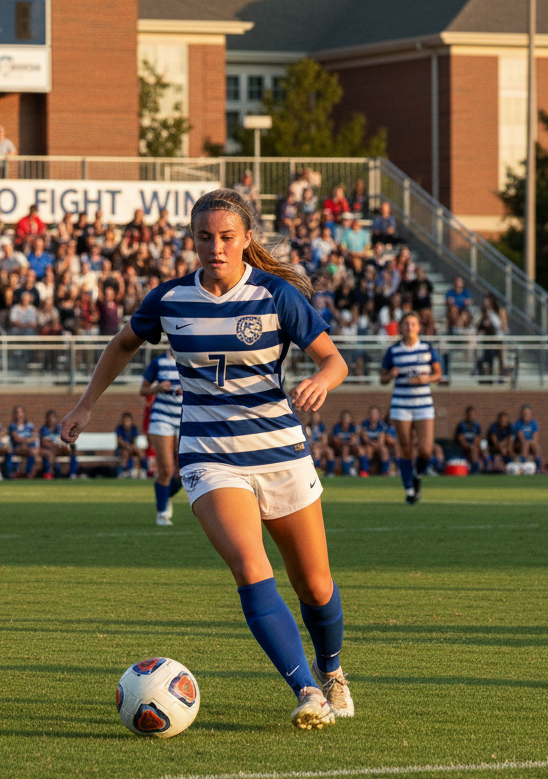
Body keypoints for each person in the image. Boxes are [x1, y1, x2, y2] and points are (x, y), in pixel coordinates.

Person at [60, 188, 351, 730]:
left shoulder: (276, 295)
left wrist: (321, 381)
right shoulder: (170, 299)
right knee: (250, 566)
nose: (214, 248)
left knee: (315, 585)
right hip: (209, 456)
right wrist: (85, 405)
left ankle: (331, 669)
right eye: (203, 237)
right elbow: (123, 344)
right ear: (191, 240)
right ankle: (307, 690)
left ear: (245, 241)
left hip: (280, 451)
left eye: (225, 238)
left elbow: (335, 361)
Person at [380, 310, 442, 503]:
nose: (410, 327)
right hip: (401, 404)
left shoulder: (427, 349)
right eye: (406, 324)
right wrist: (391, 375)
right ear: (401, 327)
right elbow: (382, 378)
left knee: (425, 450)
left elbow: (439, 374)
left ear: (419, 327)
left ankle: (417, 474)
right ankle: (409, 489)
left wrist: (428, 378)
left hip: (423, 404)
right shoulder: (394, 351)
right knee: (405, 448)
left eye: (413, 324)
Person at [140, 349, 183, 524]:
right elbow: (143, 390)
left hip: (185, 417)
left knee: (184, 471)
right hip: (161, 417)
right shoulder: (159, 362)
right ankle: (162, 512)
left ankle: (165, 495)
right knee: (165, 469)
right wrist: (158, 387)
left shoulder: (192, 358)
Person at [39, 410, 77, 479]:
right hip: (52, 449)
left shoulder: (60, 428)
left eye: (53, 417)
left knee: (71, 451)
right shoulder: (44, 429)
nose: (51, 420)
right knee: (49, 454)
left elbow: (66, 438)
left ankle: (73, 473)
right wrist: (54, 445)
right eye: (50, 418)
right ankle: (49, 473)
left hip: (61, 448)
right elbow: (44, 443)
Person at [358, 406, 392, 477]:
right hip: (369, 445)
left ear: (379, 415)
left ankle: (385, 472)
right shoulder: (364, 424)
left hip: (378, 446)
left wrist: (374, 444)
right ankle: (365, 471)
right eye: (372, 413)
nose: (374, 416)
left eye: (376, 413)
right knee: (368, 449)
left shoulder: (382, 425)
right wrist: (371, 443)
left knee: (384, 450)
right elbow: (365, 439)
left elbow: (381, 441)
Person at [7, 405, 39, 478]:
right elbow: (17, 439)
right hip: (17, 448)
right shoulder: (13, 426)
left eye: (21, 412)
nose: (19, 415)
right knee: (31, 452)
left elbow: (35, 437)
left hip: (30, 447)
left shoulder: (30, 425)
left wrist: (25, 441)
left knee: (38, 454)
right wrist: (27, 440)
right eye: (17, 413)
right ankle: (28, 473)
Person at [329, 410, 360, 478]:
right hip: (338, 448)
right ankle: (347, 471)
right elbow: (335, 441)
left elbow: (354, 441)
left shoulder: (353, 427)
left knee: (359, 450)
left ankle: (359, 470)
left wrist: (345, 442)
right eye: (345, 418)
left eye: (348, 418)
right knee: (344, 448)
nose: (346, 420)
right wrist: (345, 442)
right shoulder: (337, 427)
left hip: (351, 448)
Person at [453, 406, 483, 473]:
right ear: (466, 415)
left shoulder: (476, 425)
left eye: (472, 414)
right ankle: (474, 469)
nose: (471, 416)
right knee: (472, 450)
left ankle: (482, 467)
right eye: (469, 414)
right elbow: (460, 438)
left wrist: (474, 446)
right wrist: (468, 445)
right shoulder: (461, 425)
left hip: (474, 446)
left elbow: (478, 438)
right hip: (464, 447)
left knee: (478, 450)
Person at [513, 404, 542, 470]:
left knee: (536, 446)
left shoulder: (533, 423)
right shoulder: (518, 423)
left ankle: (538, 467)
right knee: (525, 444)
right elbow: (520, 437)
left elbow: (536, 437)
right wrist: (527, 442)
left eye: (528, 413)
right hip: (519, 444)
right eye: (525, 413)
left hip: (531, 443)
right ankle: (523, 466)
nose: (526, 415)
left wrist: (532, 442)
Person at [115, 411, 141, 477]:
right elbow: (120, 441)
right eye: (126, 420)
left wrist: (132, 447)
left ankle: (137, 471)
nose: (127, 422)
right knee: (125, 453)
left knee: (139, 453)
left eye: (128, 420)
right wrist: (127, 446)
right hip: (122, 449)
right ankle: (122, 471)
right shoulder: (119, 428)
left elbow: (134, 440)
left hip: (131, 448)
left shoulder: (134, 428)